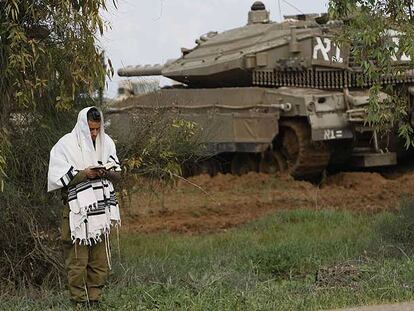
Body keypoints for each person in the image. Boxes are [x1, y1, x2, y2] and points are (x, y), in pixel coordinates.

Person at [47, 107, 121, 306]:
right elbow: (56, 179)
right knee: (77, 261)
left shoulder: (107, 143)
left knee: (100, 261)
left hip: (101, 213)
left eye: (97, 129)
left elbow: (118, 174)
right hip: (76, 213)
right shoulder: (65, 145)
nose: (94, 133)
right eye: (90, 129)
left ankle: (94, 300)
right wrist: (83, 174)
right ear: (82, 126)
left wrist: (104, 172)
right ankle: (78, 302)